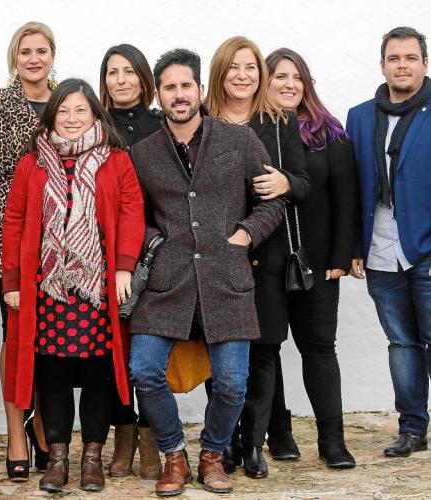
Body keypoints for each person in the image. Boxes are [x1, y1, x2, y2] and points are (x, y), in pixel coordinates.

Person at [129, 48, 285, 497]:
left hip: (227, 278)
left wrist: (246, 234)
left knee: (233, 382)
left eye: (185, 85)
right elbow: (133, 215)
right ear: (159, 95)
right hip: (166, 282)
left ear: (199, 89)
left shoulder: (239, 140)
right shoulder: (143, 152)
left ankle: (212, 454)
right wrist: (155, 243)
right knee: (144, 370)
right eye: (169, 87)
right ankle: (174, 455)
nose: (178, 94)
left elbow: (272, 200)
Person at [1, 78, 144, 493]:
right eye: (63, 110)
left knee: (99, 372)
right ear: (51, 116)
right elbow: (14, 220)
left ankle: (92, 460)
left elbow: (132, 212)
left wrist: (123, 268)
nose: (71, 118)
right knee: (54, 373)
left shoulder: (116, 161)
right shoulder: (32, 164)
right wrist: (12, 280)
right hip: (48, 288)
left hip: (97, 288)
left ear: (95, 114)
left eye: (81, 110)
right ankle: (58, 460)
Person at [205, 36, 310, 479]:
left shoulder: (280, 121)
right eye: (234, 67)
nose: (243, 75)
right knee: (218, 353)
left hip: (267, 254)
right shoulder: (202, 120)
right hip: (214, 257)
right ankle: (224, 441)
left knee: (263, 351)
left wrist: (287, 182)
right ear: (220, 72)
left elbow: (304, 182)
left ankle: (253, 445)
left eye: (250, 67)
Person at [263, 47, 358, 468]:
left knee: (319, 347)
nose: (289, 84)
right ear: (265, 82)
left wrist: (342, 255)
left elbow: (346, 198)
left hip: (318, 262)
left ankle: (332, 441)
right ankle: (280, 434)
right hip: (265, 261)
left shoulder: (329, 134)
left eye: (297, 77)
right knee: (267, 350)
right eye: (280, 76)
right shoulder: (255, 131)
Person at [347, 26, 431, 458]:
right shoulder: (360, 117)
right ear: (382, 65)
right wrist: (353, 247)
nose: (402, 65)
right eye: (394, 58)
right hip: (379, 250)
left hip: (426, 249)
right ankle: (412, 428)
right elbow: (351, 186)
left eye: (410, 58)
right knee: (402, 343)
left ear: (424, 64)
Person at [0, 20, 55, 480]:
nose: (33, 58)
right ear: (14, 57)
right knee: (17, 334)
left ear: (52, 55)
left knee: (50, 337)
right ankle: (15, 431)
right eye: (25, 51)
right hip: (11, 239)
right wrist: (38, 224)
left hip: (66, 245)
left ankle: (43, 424)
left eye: (41, 50)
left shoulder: (69, 99)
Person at [98, 43, 163, 480]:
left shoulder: (163, 124)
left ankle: (151, 433)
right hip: (108, 252)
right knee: (115, 350)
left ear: (143, 77)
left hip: (158, 250)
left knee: (151, 348)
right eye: (112, 72)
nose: (120, 80)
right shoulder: (96, 126)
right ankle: (123, 432)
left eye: (128, 71)